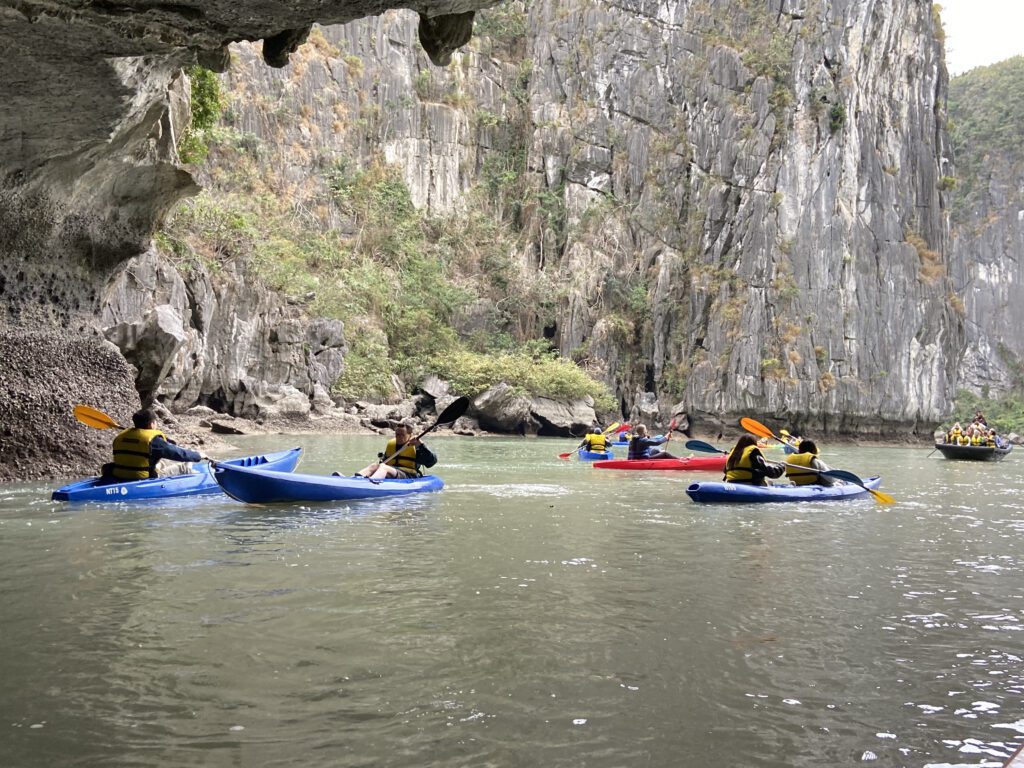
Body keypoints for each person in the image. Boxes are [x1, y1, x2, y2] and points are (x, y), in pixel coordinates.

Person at [104, 407, 205, 481]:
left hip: (120, 474)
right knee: (182, 468)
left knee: (164, 462)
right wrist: (198, 455)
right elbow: (179, 454)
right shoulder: (153, 441)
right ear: (151, 424)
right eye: (155, 422)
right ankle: (201, 478)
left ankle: (189, 467)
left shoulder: (121, 437)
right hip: (143, 477)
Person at [355, 421, 437, 480]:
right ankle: (355, 478)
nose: (399, 437)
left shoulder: (417, 445)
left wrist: (420, 445)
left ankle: (371, 483)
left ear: (410, 435)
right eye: (397, 434)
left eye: (402, 435)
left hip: (409, 474)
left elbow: (431, 462)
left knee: (383, 468)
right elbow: (385, 461)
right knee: (374, 465)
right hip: (393, 470)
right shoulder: (392, 444)